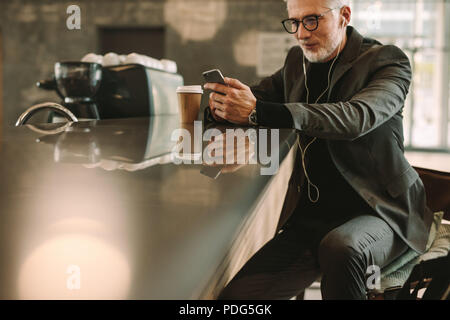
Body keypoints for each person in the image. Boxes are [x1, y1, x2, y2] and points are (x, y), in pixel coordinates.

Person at [203, 0, 433, 300]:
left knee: (340, 248)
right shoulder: (296, 62)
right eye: (294, 22)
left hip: (381, 212)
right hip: (312, 219)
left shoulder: (388, 61)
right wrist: (222, 104)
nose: (301, 33)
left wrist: (258, 111)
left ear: (344, 16)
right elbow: (257, 98)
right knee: (233, 302)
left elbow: (355, 118)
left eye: (312, 20)